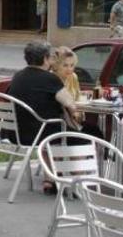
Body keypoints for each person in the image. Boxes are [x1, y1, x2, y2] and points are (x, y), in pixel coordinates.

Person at [7, 41, 81, 194]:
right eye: (51, 58)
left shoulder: (17, 76)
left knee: (56, 130)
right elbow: (70, 104)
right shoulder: (49, 79)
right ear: (46, 59)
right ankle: (75, 180)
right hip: (41, 133)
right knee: (84, 135)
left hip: (16, 133)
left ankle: (51, 178)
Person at [51, 47, 103, 139]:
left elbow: (78, 97)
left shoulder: (73, 77)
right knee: (94, 132)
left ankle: (99, 153)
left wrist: (93, 95)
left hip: (74, 119)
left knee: (96, 130)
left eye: (72, 65)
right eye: (65, 65)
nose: (69, 69)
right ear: (57, 65)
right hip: (60, 121)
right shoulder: (51, 78)